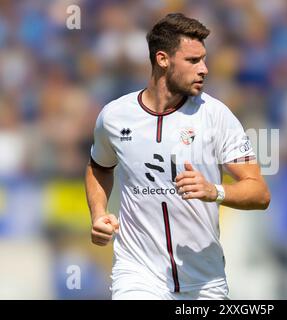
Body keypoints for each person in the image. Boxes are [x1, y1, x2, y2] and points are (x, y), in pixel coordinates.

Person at [85, 13, 270, 300]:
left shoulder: (216, 116)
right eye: (193, 61)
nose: (205, 69)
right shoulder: (114, 116)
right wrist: (98, 213)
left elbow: (259, 192)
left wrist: (215, 191)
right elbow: (98, 167)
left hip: (204, 282)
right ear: (162, 60)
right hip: (138, 274)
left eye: (204, 59)